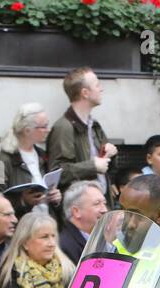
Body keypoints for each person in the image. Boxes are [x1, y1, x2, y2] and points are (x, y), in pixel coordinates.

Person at [46, 67, 117, 197]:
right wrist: (92, 166)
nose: (101, 88)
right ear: (85, 93)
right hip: (80, 209)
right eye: (97, 85)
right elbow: (56, 173)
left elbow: (108, 168)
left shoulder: (94, 125)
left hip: (100, 204)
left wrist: (111, 154)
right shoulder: (64, 127)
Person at [0, 209, 76, 288]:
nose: (52, 243)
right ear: (25, 243)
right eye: (44, 237)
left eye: (53, 236)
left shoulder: (67, 268)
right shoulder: (12, 271)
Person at [0, 102, 60, 211]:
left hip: (47, 223)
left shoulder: (43, 155)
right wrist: (22, 201)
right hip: (21, 225)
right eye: (44, 126)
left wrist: (56, 198)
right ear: (27, 131)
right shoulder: (0, 162)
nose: (48, 130)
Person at [58, 179, 107, 263]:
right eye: (97, 203)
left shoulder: (103, 235)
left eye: (104, 203)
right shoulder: (65, 246)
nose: (104, 210)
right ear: (76, 211)